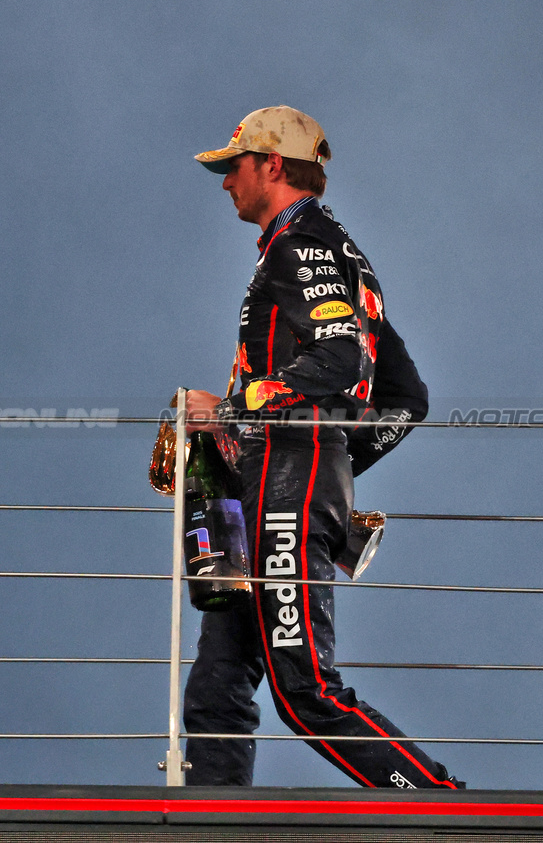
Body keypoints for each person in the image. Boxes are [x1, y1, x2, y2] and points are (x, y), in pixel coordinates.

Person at [182, 105, 460, 790]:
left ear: (271, 164)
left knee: (305, 692)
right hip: (275, 483)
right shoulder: (331, 248)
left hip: (284, 483)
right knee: (217, 686)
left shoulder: (299, 244)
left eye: (233, 167)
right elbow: (406, 400)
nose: (224, 183)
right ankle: (205, 830)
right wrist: (330, 461)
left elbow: (339, 361)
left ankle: (438, 806)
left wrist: (241, 411)